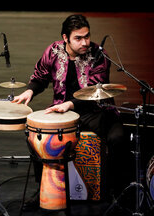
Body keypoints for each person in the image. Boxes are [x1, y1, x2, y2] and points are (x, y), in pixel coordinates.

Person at [13, 14, 131, 210]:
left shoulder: (98, 55)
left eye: (87, 36)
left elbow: (94, 90)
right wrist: (30, 90)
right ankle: (43, 187)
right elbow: (41, 76)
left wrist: (70, 104)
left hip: (97, 111)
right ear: (65, 38)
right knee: (35, 135)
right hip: (63, 112)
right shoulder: (53, 51)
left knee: (117, 137)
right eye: (78, 38)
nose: (85, 42)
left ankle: (114, 190)